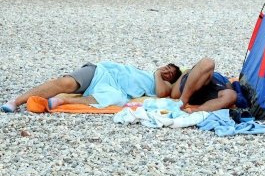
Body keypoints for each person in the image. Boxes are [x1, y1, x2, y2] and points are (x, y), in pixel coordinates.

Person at [1, 61, 182, 113]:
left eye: (171, 73)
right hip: (102, 72)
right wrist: (157, 71)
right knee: (66, 83)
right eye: (167, 67)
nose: (167, 71)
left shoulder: (161, 83)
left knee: (117, 99)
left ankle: (61, 100)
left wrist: (159, 74)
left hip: (115, 89)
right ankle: (16, 101)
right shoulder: (145, 72)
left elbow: (161, 93)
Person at [169, 57, 238, 113]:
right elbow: (168, 93)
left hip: (212, 93)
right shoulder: (187, 77)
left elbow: (229, 86)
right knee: (207, 62)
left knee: (232, 94)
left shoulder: (221, 77)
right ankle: (183, 101)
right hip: (190, 87)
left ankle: (196, 110)